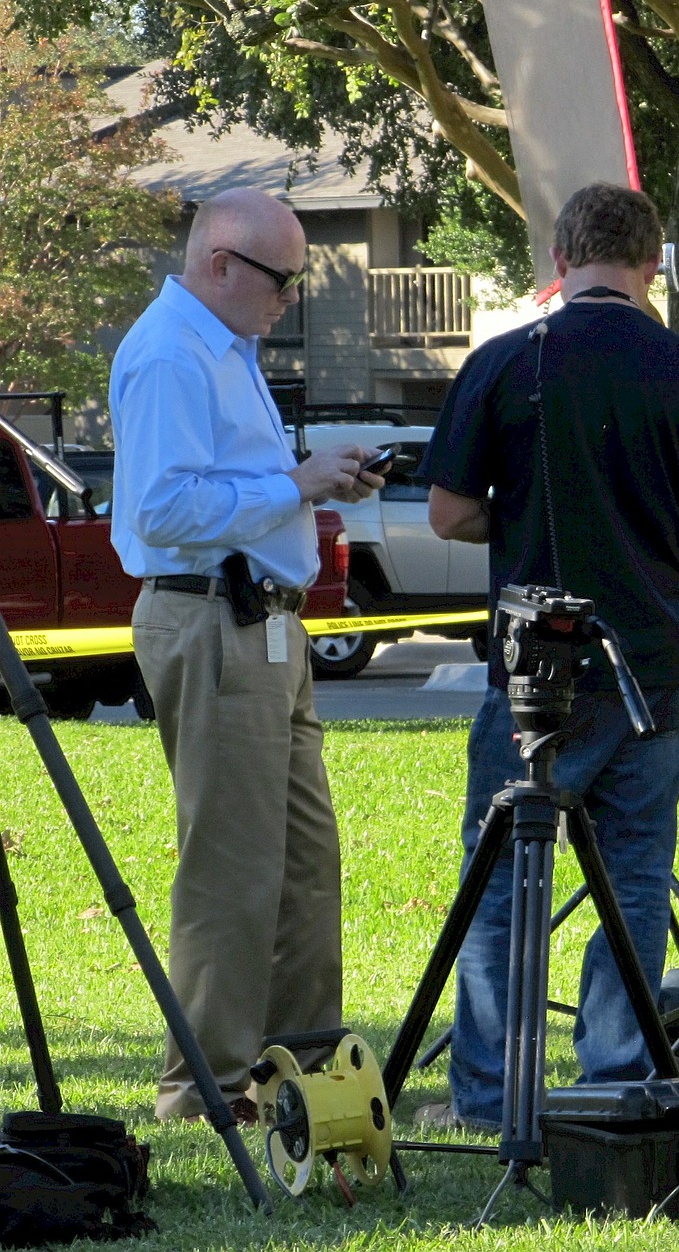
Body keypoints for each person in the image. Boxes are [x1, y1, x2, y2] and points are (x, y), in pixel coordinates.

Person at [420, 182, 679, 1127]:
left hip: (541, 668)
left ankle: (489, 1095)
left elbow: (447, 512)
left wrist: (523, 518)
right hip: (655, 662)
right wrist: (659, 526)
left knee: (501, 879)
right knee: (635, 877)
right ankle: (616, 1079)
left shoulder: (502, 362)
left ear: (560, 260)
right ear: (652, 263)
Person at [110, 188, 385, 1121]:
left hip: (266, 625)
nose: (289, 298)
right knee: (232, 867)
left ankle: (296, 1070)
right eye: (282, 279)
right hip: (213, 618)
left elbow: (233, 488)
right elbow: (162, 510)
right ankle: (205, 1086)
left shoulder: (226, 349)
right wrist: (297, 482)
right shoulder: (170, 353)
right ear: (220, 262)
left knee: (305, 860)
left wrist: (313, 480)